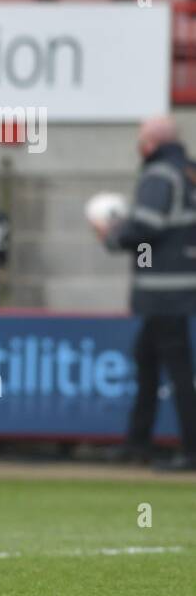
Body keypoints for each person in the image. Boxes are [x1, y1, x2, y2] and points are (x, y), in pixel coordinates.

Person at [97, 115, 196, 472]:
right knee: (148, 362)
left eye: (141, 139)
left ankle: (190, 450)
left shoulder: (158, 175)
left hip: (163, 290)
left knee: (179, 370)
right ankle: (138, 442)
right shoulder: (187, 171)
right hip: (181, 285)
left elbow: (147, 227)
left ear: (150, 143)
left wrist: (112, 234)